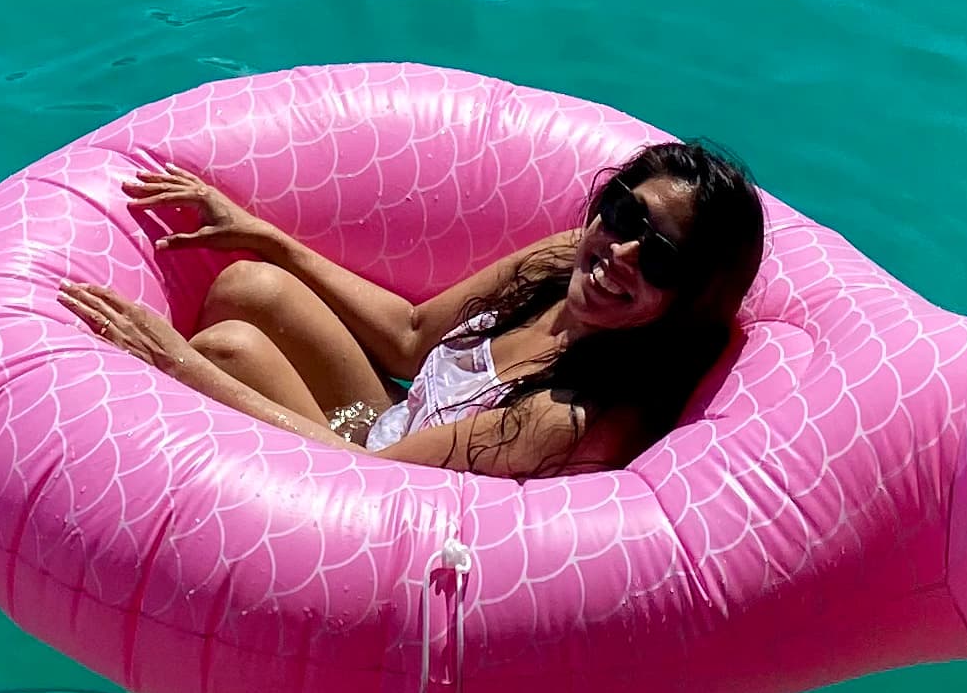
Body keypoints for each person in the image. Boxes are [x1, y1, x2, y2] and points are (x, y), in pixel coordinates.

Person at [60, 138, 764, 481]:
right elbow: (411, 336)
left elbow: (377, 482)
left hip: (376, 489)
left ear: (690, 299)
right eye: (621, 212)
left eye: (662, 257)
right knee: (254, 287)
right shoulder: (563, 262)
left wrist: (173, 362)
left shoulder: (563, 417)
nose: (621, 250)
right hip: (390, 427)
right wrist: (265, 236)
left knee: (227, 352)